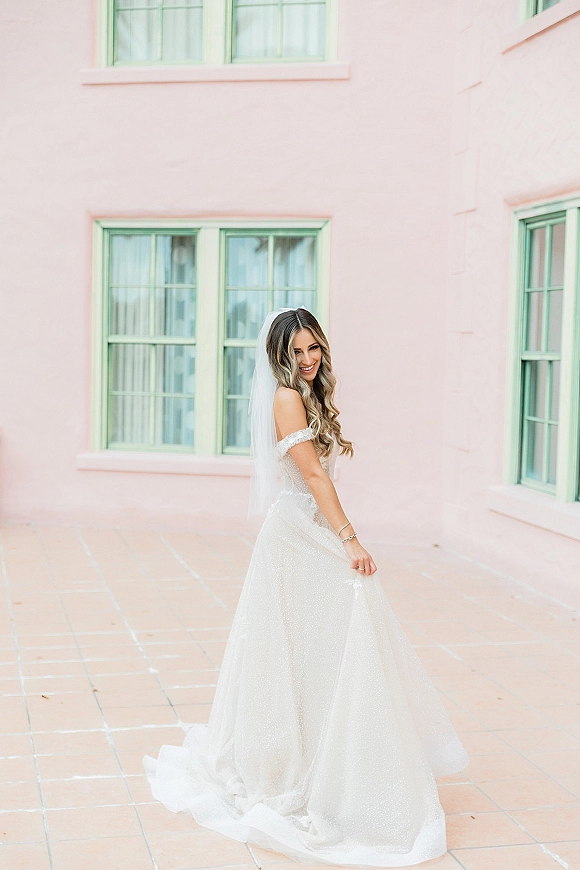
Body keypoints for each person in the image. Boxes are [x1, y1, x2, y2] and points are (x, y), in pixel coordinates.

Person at [144, 308, 469, 868]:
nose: (309, 359)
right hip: (296, 536)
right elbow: (313, 476)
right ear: (279, 357)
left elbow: (320, 473)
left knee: (322, 642)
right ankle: (306, 764)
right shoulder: (286, 398)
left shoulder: (309, 394)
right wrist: (351, 539)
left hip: (307, 528)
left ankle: (331, 754)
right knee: (321, 633)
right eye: (297, 352)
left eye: (314, 347)